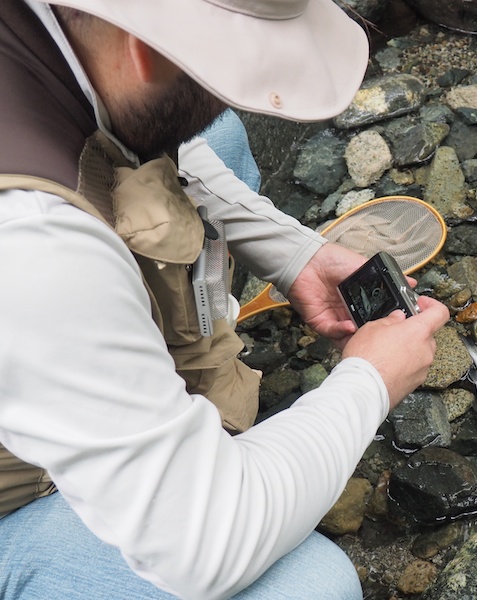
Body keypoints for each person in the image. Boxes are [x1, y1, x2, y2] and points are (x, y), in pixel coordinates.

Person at [0, 1, 451, 599]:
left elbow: (160, 153)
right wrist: (370, 380)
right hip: (17, 493)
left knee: (215, 131)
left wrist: (297, 255)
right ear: (145, 49)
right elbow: (206, 544)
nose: (252, 93)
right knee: (311, 585)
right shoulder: (33, 243)